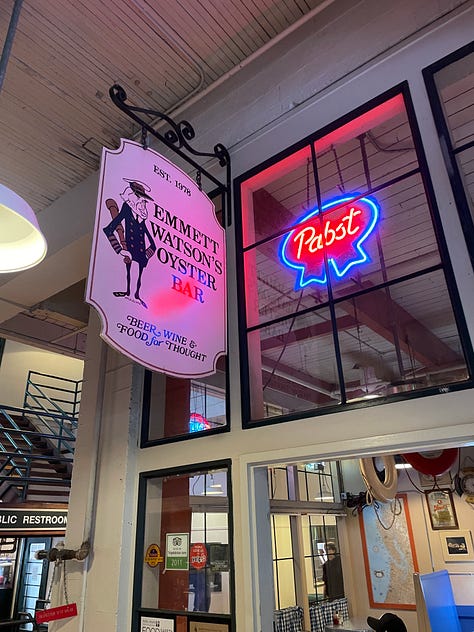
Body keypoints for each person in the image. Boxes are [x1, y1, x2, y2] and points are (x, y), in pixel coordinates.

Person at [103, 180, 156, 308]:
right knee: (131, 272)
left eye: (144, 199)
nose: (143, 202)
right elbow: (109, 230)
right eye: (140, 198)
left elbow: (153, 245)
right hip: (130, 252)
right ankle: (130, 294)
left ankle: (135, 295)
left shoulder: (142, 218)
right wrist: (121, 250)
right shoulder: (127, 209)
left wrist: (146, 256)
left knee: (137, 275)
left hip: (140, 255)